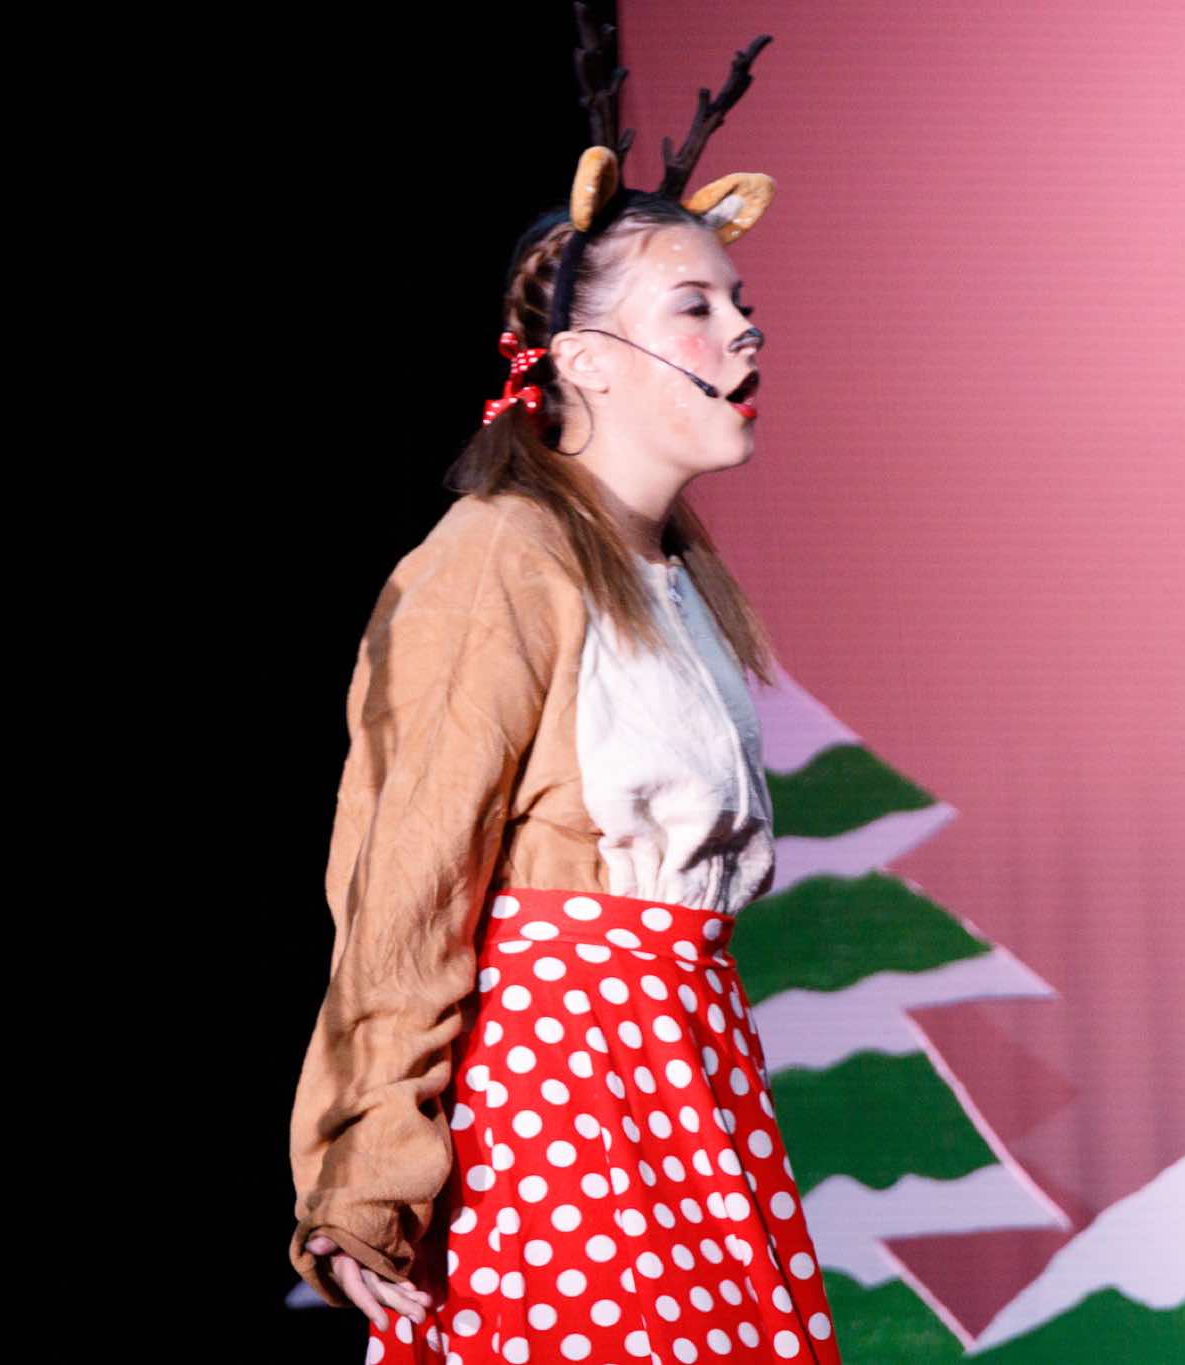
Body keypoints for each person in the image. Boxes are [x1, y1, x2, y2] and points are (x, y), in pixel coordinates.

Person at [287, 14, 842, 1364]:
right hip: (565, 1094)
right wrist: (366, 1173)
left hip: (689, 1081)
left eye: (741, 302)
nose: (745, 331)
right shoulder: (499, 557)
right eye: (695, 307)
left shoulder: (671, 578)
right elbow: (408, 873)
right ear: (585, 359)